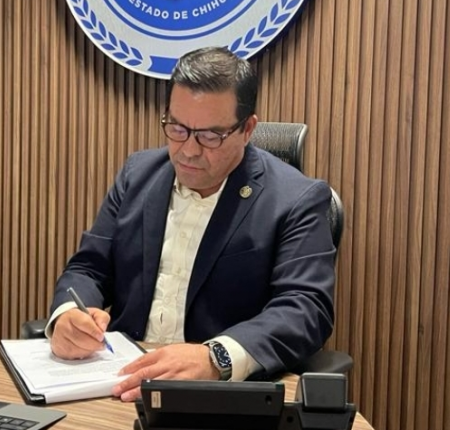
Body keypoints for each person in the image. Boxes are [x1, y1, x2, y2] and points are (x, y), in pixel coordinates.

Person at [48, 46, 336, 402]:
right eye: (177, 128)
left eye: (210, 136)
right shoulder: (138, 175)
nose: (188, 150)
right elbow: (89, 268)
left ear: (247, 129)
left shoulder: (296, 199)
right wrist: (68, 315)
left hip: (217, 396)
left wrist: (216, 357)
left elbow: (305, 308)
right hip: (117, 382)